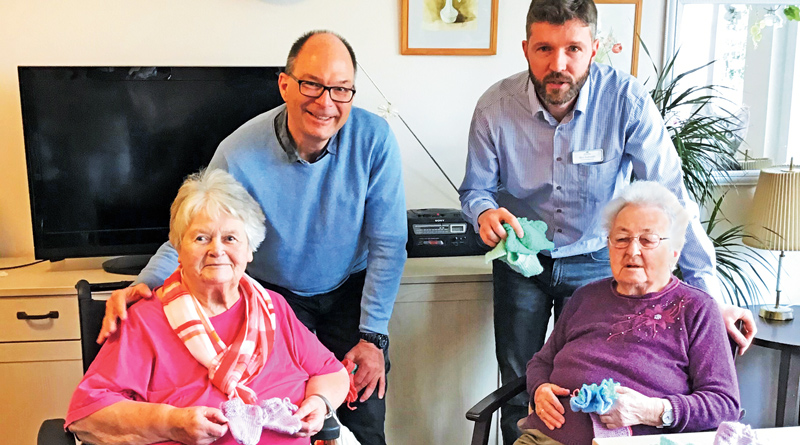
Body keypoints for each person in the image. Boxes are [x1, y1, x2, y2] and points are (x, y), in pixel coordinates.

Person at [457, 0, 755, 442]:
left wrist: (711, 299)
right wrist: (483, 212)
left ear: (593, 49)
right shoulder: (494, 107)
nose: (558, 64)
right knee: (521, 383)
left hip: (596, 258)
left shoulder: (627, 101)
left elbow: (672, 198)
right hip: (522, 261)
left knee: (593, 375)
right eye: (544, 49)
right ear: (525, 49)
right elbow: (475, 189)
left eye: (573, 49)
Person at [98, 31, 407, 445]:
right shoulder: (240, 151)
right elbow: (196, 231)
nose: (326, 101)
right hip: (276, 294)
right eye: (312, 84)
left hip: (352, 289)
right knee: (275, 411)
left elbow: (389, 241)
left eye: (341, 89)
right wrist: (145, 285)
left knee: (363, 417)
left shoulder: (375, 140)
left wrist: (373, 337)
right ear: (285, 84)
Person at [66, 169, 351, 445]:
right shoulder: (145, 319)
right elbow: (87, 416)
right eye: (201, 238)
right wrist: (171, 423)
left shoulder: (273, 309)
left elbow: (331, 372)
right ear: (178, 250)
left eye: (230, 238)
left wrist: (318, 402)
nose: (217, 249)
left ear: (249, 251)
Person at [516, 181, 740, 445]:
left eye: (648, 240)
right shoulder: (584, 298)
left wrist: (652, 411)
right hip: (544, 439)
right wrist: (539, 389)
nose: (632, 250)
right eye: (621, 239)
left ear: (674, 253)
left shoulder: (696, 309)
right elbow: (541, 362)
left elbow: (724, 404)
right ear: (609, 246)